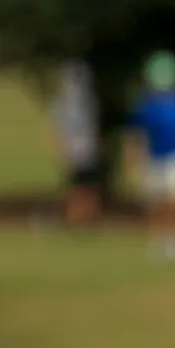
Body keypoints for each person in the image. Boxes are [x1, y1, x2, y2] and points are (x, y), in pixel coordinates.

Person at [126, 50, 175, 260]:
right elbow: (137, 133)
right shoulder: (147, 104)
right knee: (158, 202)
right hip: (155, 157)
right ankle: (160, 240)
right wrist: (134, 157)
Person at [51, 59, 102, 226]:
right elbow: (59, 127)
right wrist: (61, 147)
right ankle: (74, 217)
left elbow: (92, 127)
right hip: (74, 149)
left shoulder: (88, 101)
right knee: (74, 185)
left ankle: (87, 217)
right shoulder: (64, 102)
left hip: (85, 148)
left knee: (86, 184)